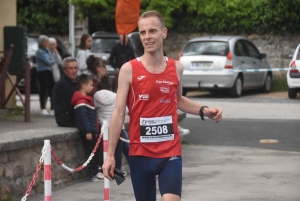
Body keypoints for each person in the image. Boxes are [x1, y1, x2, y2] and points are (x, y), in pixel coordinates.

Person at [102, 11, 222, 201]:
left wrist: (204, 110)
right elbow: (118, 113)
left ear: (163, 33)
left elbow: (179, 100)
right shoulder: (129, 69)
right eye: (142, 33)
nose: (147, 37)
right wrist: (110, 155)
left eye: (152, 31)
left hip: (170, 153)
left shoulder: (176, 68)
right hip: (140, 154)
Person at [94, 75, 129, 174]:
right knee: (118, 151)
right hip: (118, 128)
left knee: (104, 151)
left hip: (105, 129)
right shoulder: (116, 95)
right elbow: (125, 110)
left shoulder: (96, 96)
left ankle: (105, 171)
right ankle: (116, 174)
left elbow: (94, 108)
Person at [71, 74, 104, 181]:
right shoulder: (81, 101)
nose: (92, 87)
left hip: (93, 130)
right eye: (90, 85)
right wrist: (88, 131)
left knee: (95, 152)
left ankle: (97, 170)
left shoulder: (87, 99)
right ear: (84, 86)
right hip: (88, 132)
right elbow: (83, 118)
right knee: (90, 153)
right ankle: (93, 173)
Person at [52, 57, 78, 127]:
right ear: (65, 71)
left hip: (74, 115)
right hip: (65, 117)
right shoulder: (63, 84)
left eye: (75, 68)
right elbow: (69, 107)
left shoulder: (76, 82)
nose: (74, 71)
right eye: (71, 68)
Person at [35, 35, 55, 115]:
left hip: (49, 70)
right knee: (43, 89)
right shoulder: (39, 51)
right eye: (46, 41)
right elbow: (48, 61)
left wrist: (48, 61)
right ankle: (42, 107)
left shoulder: (47, 50)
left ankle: (52, 107)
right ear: (42, 42)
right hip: (42, 71)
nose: (47, 43)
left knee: (52, 88)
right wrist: (48, 61)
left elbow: (52, 60)